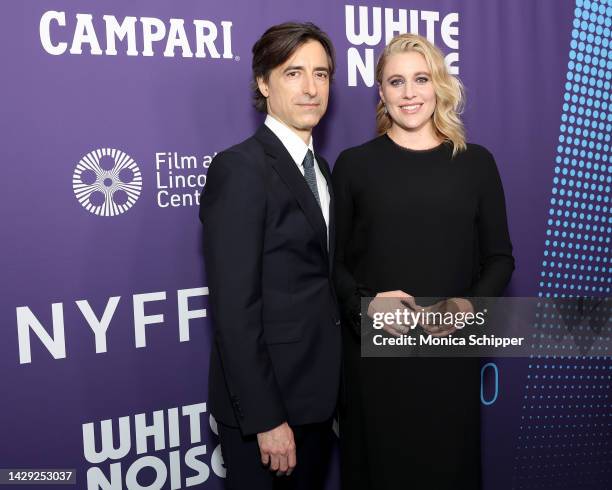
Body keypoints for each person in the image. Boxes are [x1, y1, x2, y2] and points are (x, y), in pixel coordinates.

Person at [332, 33, 515, 490]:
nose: (409, 93)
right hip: (376, 363)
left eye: (421, 79)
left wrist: (469, 306)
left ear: (439, 85)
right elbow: (333, 264)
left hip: (448, 359)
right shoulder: (353, 165)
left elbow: (500, 258)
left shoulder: (476, 163)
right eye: (396, 81)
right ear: (381, 91)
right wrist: (365, 306)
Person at [199, 22, 341, 490]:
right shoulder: (240, 167)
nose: (309, 87)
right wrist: (266, 419)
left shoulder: (320, 168)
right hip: (269, 414)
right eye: (293, 72)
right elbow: (235, 308)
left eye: (321, 74)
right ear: (264, 82)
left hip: (318, 403)